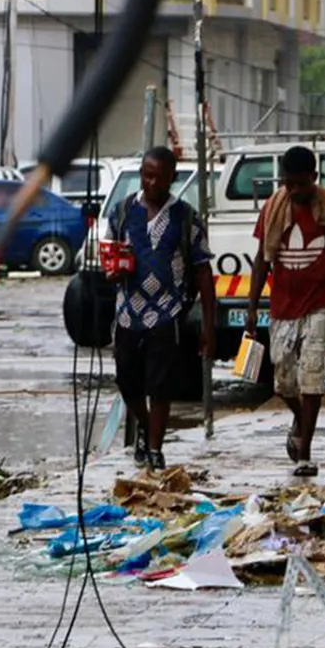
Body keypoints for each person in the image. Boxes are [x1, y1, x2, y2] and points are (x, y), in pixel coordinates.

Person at [245, 146, 325, 478]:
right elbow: (260, 260)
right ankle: (300, 418)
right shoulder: (272, 209)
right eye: (288, 184)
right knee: (283, 381)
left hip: (319, 303)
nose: (294, 191)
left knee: (312, 374)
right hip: (281, 305)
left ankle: (304, 453)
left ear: (313, 177)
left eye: (300, 184)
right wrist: (252, 307)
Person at [105, 147, 216, 471]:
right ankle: (144, 423)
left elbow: (203, 271)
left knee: (160, 384)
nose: (151, 182)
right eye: (146, 174)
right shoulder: (122, 212)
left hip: (168, 314)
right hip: (127, 313)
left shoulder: (185, 217)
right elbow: (108, 261)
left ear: (171, 178)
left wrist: (208, 326)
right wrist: (115, 272)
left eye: (158, 176)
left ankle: (155, 449)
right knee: (128, 381)